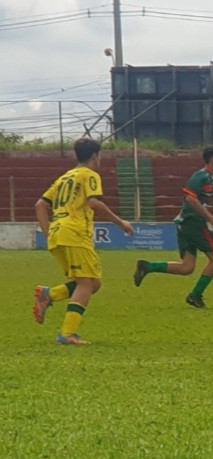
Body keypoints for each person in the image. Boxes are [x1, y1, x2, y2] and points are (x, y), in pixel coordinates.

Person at [32, 138, 134, 345]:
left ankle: (49, 294)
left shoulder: (64, 178)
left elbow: (40, 205)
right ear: (95, 156)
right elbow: (94, 202)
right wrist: (119, 222)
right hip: (75, 233)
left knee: (92, 283)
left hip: (59, 233)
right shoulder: (90, 175)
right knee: (87, 283)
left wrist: (48, 232)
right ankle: (67, 334)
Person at [133, 145, 213, 307]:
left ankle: (148, 266)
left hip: (186, 223)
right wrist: (212, 219)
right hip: (193, 223)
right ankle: (195, 296)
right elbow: (190, 199)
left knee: (187, 268)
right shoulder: (200, 177)